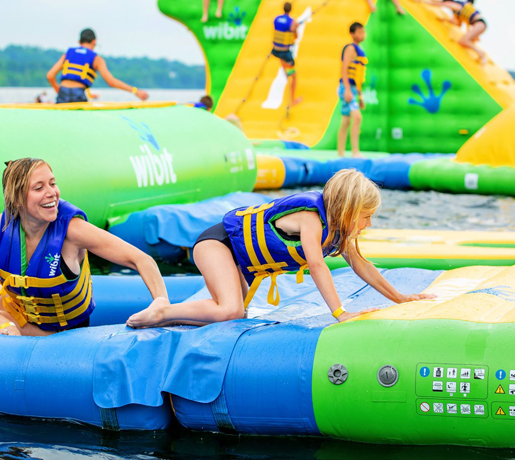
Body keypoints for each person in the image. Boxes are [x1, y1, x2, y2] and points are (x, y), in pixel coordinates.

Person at [127, 169, 434, 328]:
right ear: (348, 210)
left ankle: (169, 318)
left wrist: (401, 298)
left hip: (237, 257)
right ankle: (161, 309)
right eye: (366, 217)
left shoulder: (338, 229)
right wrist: (340, 313)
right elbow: (316, 264)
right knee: (230, 309)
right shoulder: (312, 218)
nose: (368, 224)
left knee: (236, 316)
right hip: (217, 244)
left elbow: (362, 265)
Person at [0, 158, 169, 336]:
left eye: (52, 183)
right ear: (16, 199)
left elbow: (141, 259)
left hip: (54, 327)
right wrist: (3, 325)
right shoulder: (0, 226)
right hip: (14, 304)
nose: (52, 193)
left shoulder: (72, 231)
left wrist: (160, 301)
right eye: (39, 188)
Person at [46, 28, 149, 104]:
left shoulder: (67, 54)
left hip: (62, 93)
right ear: (94, 42)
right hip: (78, 94)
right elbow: (111, 81)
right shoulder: (96, 59)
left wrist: (58, 89)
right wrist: (135, 91)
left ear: (79, 42)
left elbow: (50, 75)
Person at [337, 22, 368, 158]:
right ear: (352, 34)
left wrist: (360, 97)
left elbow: (358, 76)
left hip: (353, 89)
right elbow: (344, 70)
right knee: (357, 117)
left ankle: (341, 153)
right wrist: (347, 91)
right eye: (359, 32)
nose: (362, 34)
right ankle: (355, 152)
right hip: (346, 88)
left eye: (363, 32)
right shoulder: (351, 49)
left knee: (346, 120)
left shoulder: (359, 50)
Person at [423, 0, 487, 64]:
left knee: (463, 41)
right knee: (465, 41)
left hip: (479, 24)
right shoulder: (459, 10)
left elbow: (437, 4)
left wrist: (423, 1)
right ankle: (479, 52)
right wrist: (445, 20)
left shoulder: (455, 4)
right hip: (479, 24)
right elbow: (458, 24)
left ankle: (481, 54)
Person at [272, 2, 302, 107]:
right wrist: (295, 28)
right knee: (293, 77)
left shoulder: (276, 19)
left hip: (275, 50)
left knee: (286, 68)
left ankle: (286, 73)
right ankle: (292, 100)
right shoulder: (291, 22)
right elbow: (295, 37)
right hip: (284, 52)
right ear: (291, 10)